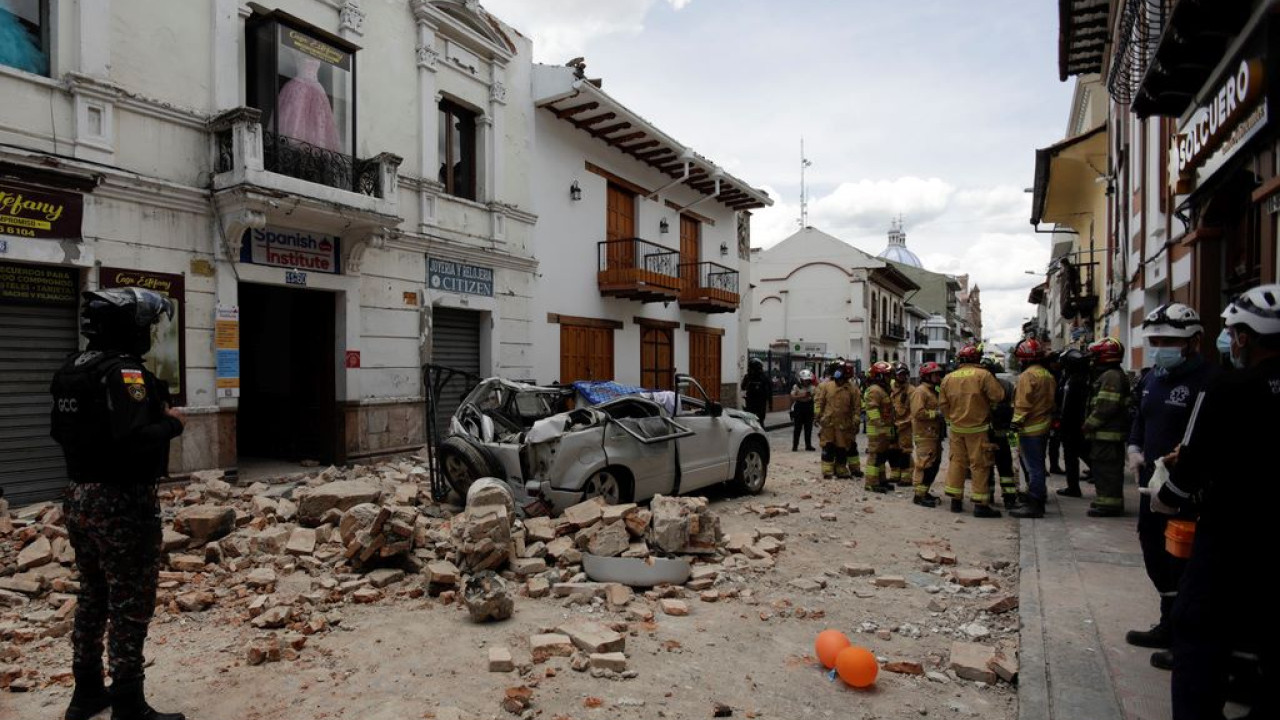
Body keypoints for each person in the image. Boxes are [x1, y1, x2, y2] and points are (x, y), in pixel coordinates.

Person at [50, 288, 187, 720]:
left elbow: (61, 432)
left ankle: (86, 691)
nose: (148, 333)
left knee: (94, 594)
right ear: (127, 328)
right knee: (130, 600)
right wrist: (170, 425)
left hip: (78, 496)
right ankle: (128, 700)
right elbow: (132, 440)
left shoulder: (74, 367)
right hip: (121, 500)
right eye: (144, 326)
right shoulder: (124, 373)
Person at [1153, 285, 1280, 720]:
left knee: (1199, 633)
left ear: (1245, 337)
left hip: (1232, 532)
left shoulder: (1228, 386)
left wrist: (1169, 497)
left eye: (1234, 333)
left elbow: (1195, 458)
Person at [1119, 303, 1216, 671]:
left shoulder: (1208, 382)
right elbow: (1139, 420)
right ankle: (1166, 622)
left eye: (1168, 341)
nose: (1160, 347)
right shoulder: (1151, 380)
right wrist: (1134, 447)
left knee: (1185, 561)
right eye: (1155, 340)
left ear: (1193, 342)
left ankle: (1186, 637)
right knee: (1154, 550)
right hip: (1151, 487)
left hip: (1189, 491)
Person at [938, 344, 1005, 518]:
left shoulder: (948, 378)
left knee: (957, 463)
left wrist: (951, 420)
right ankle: (980, 505)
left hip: (957, 429)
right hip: (978, 428)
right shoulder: (983, 375)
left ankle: (956, 501)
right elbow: (998, 396)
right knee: (979, 465)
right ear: (977, 359)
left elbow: (943, 405)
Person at [1082, 337, 1130, 517]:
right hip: (1106, 434)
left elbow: (1105, 407)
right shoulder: (1112, 374)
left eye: (1095, 356)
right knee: (1102, 469)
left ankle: (1110, 505)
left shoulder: (1111, 376)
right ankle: (1105, 500)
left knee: (1108, 470)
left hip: (1107, 434)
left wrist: (1088, 425)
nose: (1092, 359)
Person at [1009, 338, 1057, 519]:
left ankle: (1035, 504)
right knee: (1038, 465)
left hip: (1030, 429)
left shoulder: (1027, 376)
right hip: (1043, 425)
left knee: (1033, 467)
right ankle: (1037, 497)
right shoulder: (1047, 374)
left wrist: (1015, 423)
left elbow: (1022, 404)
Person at [814, 360, 861, 479]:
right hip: (828, 422)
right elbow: (820, 401)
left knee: (842, 447)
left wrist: (856, 421)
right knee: (828, 446)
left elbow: (856, 407)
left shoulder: (853, 389)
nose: (839, 381)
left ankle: (841, 469)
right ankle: (827, 470)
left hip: (844, 424)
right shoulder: (826, 386)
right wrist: (817, 416)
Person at [1055, 348, 1091, 497]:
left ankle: (1074, 487)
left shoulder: (1079, 381)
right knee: (1073, 456)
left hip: (1074, 425)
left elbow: (1073, 406)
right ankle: (1073, 486)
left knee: (1074, 456)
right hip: (1070, 424)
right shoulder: (1071, 378)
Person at [984, 356, 1020, 507]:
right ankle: (1009, 498)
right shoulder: (1006, 385)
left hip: (996, 434)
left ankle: (998, 497)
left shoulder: (1003, 387)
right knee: (1004, 467)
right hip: (1002, 434)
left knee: (991, 467)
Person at [909, 361, 946, 507]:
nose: (938, 377)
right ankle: (919, 496)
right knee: (924, 464)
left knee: (934, 464)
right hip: (924, 434)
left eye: (938, 374)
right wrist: (936, 414)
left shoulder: (933, 391)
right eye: (934, 375)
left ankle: (924, 492)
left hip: (934, 434)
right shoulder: (920, 392)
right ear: (926, 376)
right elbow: (918, 413)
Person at [862, 361, 896, 493]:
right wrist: (881, 427)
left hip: (883, 430)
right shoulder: (875, 390)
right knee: (875, 457)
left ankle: (881, 480)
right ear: (880, 376)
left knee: (882, 456)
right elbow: (872, 410)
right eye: (887, 375)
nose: (890, 378)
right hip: (877, 431)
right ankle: (871, 483)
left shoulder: (882, 390)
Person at [888, 363, 914, 486]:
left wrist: (905, 422)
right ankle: (894, 472)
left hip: (905, 426)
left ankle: (906, 476)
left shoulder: (911, 390)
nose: (902, 377)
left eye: (904, 374)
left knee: (905, 451)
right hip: (892, 425)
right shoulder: (890, 388)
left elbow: (914, 410)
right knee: (892, 450)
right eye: (900, 374)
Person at [1045, 351, 1066, 474]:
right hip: (1048, 412)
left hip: (1056, 411)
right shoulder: (1048, 375)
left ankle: (1054, 465)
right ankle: (1043, 467)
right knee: (1045, 441)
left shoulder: (1059, 373)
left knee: (1055, 440)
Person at [789, 368, 817, 452]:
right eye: (805, 380)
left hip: (809, 406)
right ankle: (795, 446)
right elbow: (792, 397)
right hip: (799, 407)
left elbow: (815, 396)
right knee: (797, 428)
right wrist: (802, 396)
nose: (806, 382)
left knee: (808, 428)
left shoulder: (812, 387)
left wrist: (811, 396)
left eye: (808, 380)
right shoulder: (796, 386)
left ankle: (808, 445)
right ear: (800, 379)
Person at [741, 357, 770, 424]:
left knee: (753, 421)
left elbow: (742, 387)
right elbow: (768, 390)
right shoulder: (763, 376)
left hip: (753, 404)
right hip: (758, 404)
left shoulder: (748, 376)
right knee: (759, 421)